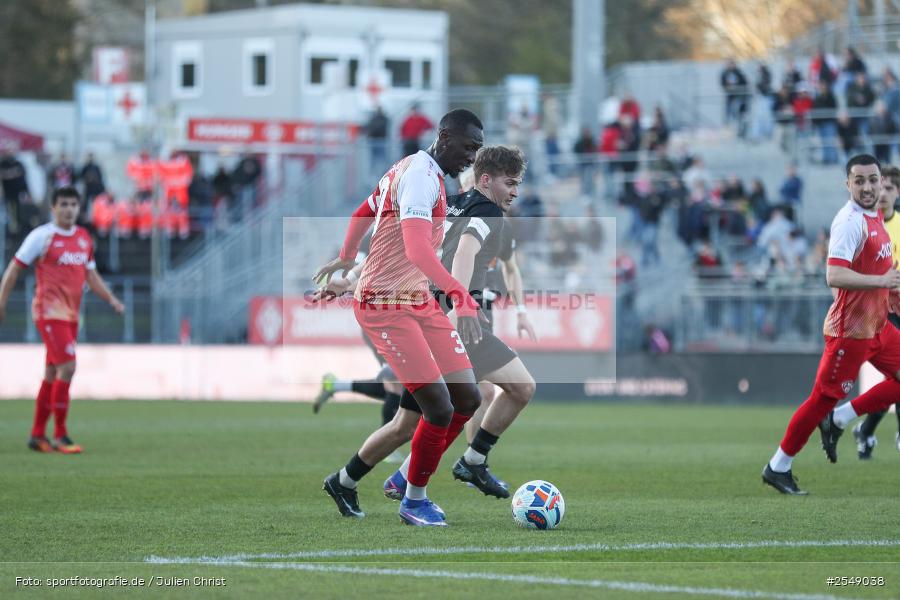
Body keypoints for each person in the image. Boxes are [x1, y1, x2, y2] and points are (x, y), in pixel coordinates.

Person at [318, 145, 537, 509]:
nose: (515, 191)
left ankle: (345, 479)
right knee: (517, 388)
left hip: (422, 312)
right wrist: (458, 308)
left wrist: (352, 277)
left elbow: (405, 249)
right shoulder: (487, 213)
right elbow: (465, 252)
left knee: (409, 421)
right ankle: (462, 464)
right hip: (455, 322)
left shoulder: (447, 203)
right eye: (510, 183)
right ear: (485, 180)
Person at [313, 109, 484, 527]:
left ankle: (352, 480)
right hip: (385, 306)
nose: (470, 157)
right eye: (467, 147)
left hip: (416, 300)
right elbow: (417, 252)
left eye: (477, 150)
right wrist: (460, 294)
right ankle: (414, 499)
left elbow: (361, 213)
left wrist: (348, 257)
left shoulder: (412, 170)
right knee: (438, 409)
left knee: (467, 398)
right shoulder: (421, 178)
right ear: (443, 137)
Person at [762, 154, 900, 495]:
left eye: (873, 179)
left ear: (881, 181)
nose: (867, 186)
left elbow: (875, 269)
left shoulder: (876, 215)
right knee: (820, 400)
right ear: (847, 184)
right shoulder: (849, 222)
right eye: (859, 180)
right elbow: (833, 275)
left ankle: (840, 418)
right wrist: (882, 282)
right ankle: (777, 466)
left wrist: (889, 291)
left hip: (878, 326)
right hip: (849, 333)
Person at [0, 187, 124, 454]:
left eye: (73, 204)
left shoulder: (83, 238)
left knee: (52, 372)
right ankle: (60, 436)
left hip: (70, 316)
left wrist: (111, 299)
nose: (69, 209)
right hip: (48, 312)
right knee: (68, 366)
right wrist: (1, 301)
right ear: (53, 208)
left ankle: (36, 435)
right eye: (63, 204)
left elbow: (91, 275)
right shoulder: (41, 236)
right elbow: (13, 270)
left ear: (79, 208)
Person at [852, 165, 900, 459]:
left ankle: (865, 431)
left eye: (890, 188)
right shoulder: (867, 224)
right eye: (880, 187)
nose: (883, 193)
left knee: (893, 381)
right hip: (878, 312)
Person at [0, 147, 30, 234]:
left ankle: (16, 230)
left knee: (18, 212)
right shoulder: (3, 163)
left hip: (18, 193)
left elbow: (22, 177)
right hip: (6, 193)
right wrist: (12, 173)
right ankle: (9, 230)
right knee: (8, 212)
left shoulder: (18, 163)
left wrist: (26, 192)